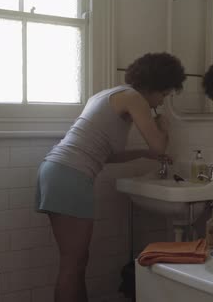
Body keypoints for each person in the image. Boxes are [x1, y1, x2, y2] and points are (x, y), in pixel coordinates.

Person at [35, 52, 185, 302]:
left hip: (57, 170)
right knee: (73, 263)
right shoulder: (134, 98)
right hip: (71, 175)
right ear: (155, 85)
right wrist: (163, 128)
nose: (160, 102)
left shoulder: (106, 95)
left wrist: (144, 155)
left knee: (77, 260)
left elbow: (104, 154)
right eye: (164, 94)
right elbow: (160, 145)